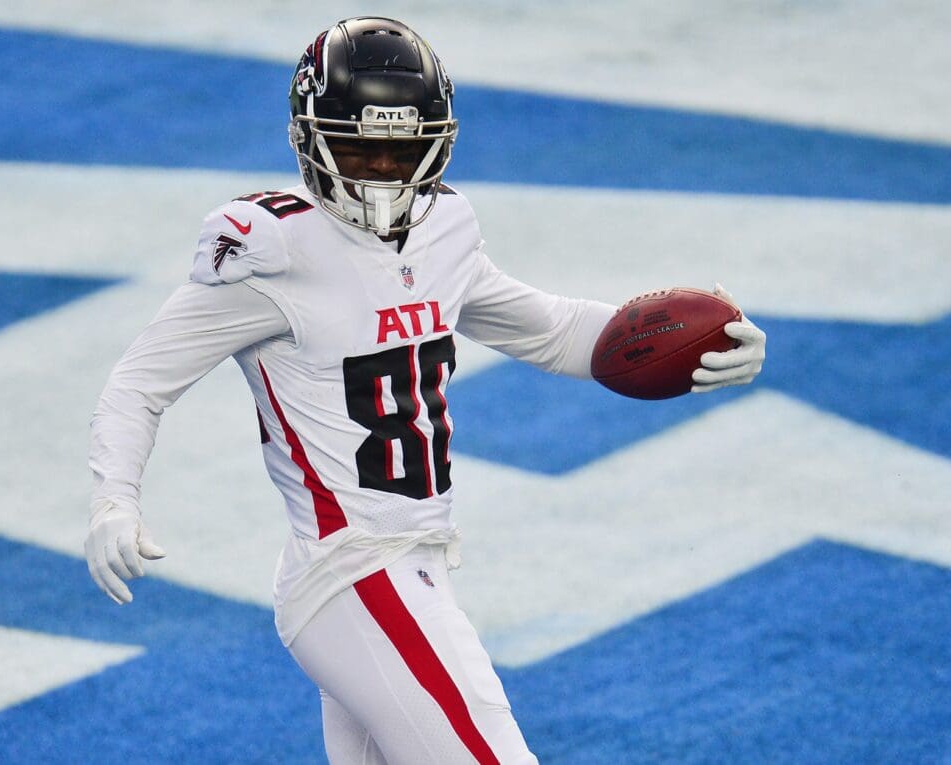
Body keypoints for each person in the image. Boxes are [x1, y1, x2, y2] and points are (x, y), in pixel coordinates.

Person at [85, 16, 766, 765]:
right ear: (309, 139)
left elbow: (556, 333)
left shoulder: (444, 228)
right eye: (358, 148)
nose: (380, 171)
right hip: (353, 570)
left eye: (400, 150)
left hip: (412, 562)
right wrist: (114, 494)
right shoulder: (272, 250)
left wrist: (703, 344)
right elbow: (140, 380)